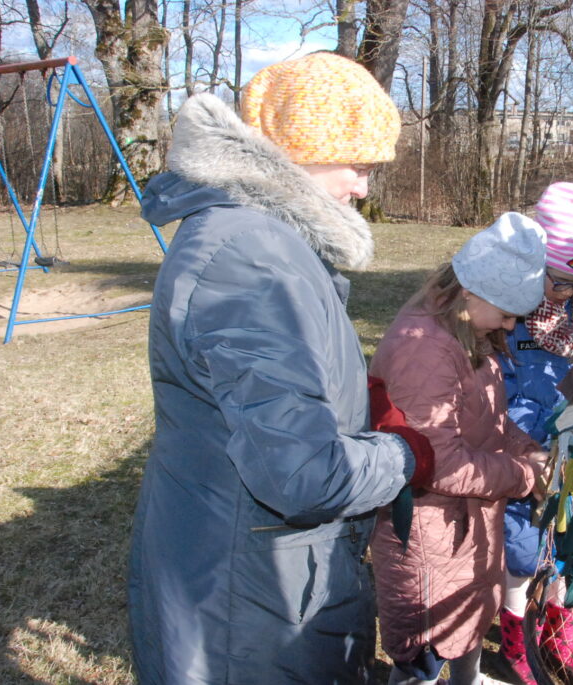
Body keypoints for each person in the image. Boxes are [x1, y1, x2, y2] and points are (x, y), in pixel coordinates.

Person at [128, 52, 434, 684]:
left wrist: (351, 400)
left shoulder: (262, 240)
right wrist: (403, 455)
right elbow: (303, 475)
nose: (364, 187)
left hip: (252, 577)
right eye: (359, 165)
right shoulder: (252, 257)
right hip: (245, 605)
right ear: (304, 151)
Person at [369, 212, 552, 685]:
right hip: (428, 531)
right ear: (473, 292)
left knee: (467, 621)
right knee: (427, 648)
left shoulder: (467, 332)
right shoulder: (425, 349)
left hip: (463, 523)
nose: (511, 326)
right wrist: (523, 475)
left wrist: (526, 448)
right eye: (507, 314)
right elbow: (438, 462)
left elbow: (488, 418)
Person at [496, 182, 573, 685]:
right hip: (524, 457)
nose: (565, 293)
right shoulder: (504, 319)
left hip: (570, 454)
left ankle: (560, 637)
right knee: (522, 552)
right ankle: (515, 639)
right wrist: (525, 450)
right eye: (558, 282)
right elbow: (494, 396)